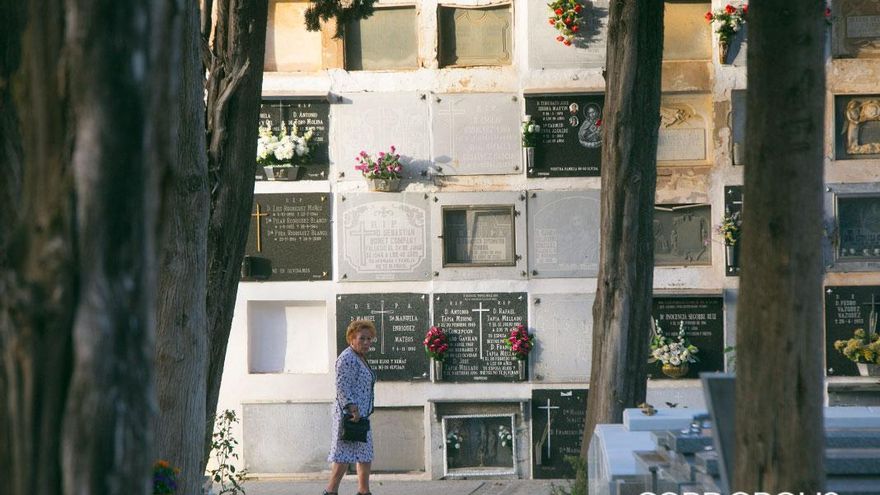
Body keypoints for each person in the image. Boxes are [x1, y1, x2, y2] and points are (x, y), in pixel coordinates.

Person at [324, 320, 377, 495]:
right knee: (343, 456)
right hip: (350, 415)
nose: (366, 342)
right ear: (352, 339)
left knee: (365, 455)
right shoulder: (347, 358)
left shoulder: (359, 357)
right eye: (362, 338)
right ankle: (330, 491)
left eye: (369, 339)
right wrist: (352, 408)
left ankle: (364, 491)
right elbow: (342, 386)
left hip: (362, 415)